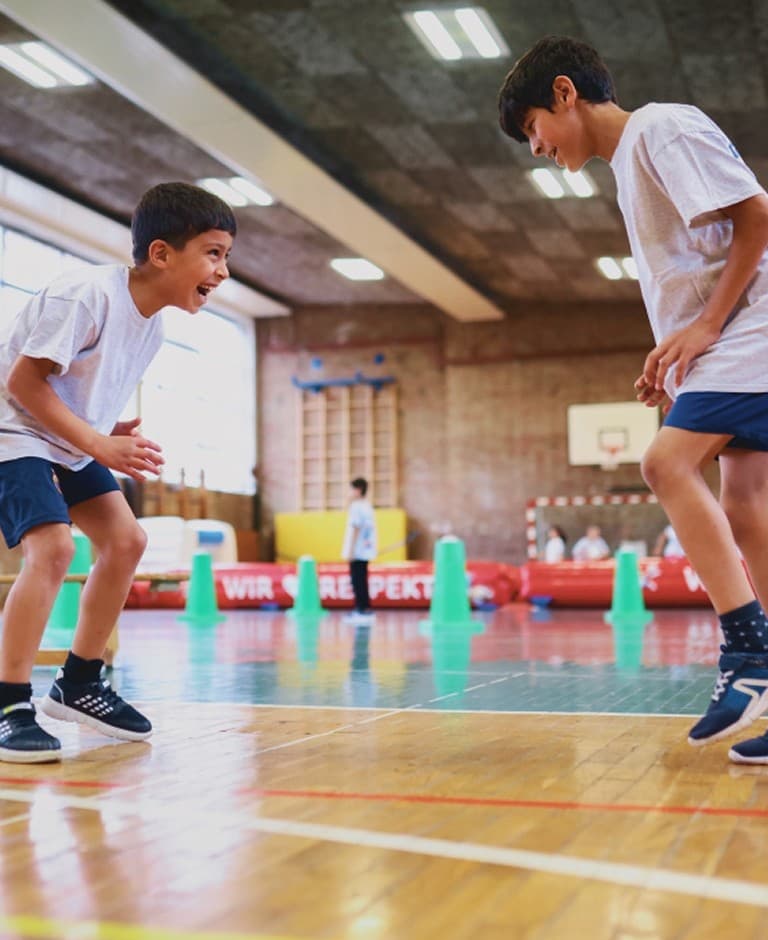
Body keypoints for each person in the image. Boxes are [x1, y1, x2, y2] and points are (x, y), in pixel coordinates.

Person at [498, 36, 768, 763]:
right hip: (727, 344)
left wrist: (708, 326)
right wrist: (675, 353)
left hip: (754, 332)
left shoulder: (661, 126)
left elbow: (758, 217)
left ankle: (749, 648)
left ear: (564, 93)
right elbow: (698, 268)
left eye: (532, 129)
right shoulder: (630, 165)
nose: (535, 148)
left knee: (664, 465)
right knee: (746, 507)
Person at [0, 181, 236, 763]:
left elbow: (73, 390)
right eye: (213, 253)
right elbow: (24, 383)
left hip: (64, 438)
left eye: (225, 256)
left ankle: (78, 684)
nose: (223, 271)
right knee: (53, 549)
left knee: (128, 540)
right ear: (161, 254)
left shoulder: (150, 325)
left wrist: (108, 432)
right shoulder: (85, 294)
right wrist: (98, 443)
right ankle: (8, 703)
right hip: (12, 431)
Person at [341, 477, 377, 622]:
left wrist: (350, 550)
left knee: (357, 579)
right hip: (366, 548)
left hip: (358, 549)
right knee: (362, 578)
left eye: (351, 489)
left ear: (358, 490)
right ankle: (365, 607)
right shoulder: (367, 506)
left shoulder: (357, 507)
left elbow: (356, 527)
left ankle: (360, 609)